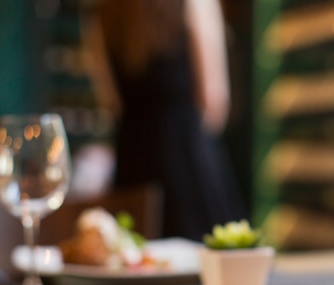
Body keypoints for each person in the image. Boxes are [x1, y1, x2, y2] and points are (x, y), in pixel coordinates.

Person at [82, 0, 246, 241]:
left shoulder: (104, 10)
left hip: (133, 164)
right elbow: (214, 100)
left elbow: (110, 101)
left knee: (135, 259)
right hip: (188, 160)